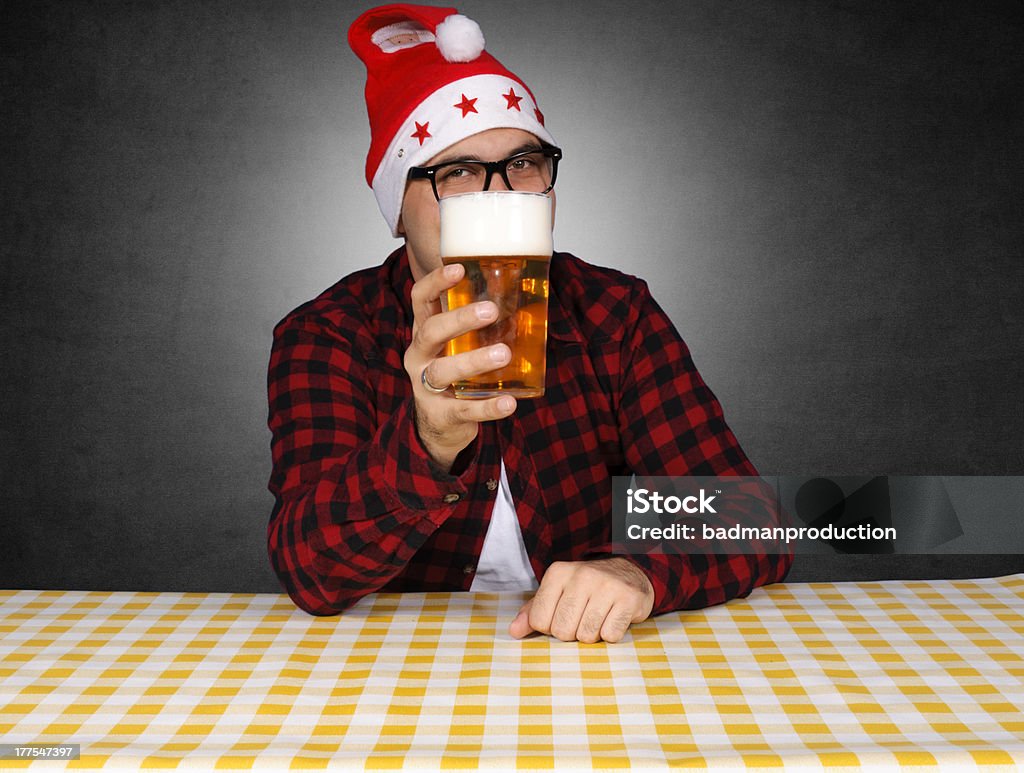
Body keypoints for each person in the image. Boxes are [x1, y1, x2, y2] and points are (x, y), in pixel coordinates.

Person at [267, 3, 792, 643]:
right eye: (456, 172)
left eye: (524, 163)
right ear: (398, 209)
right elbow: (309, 570)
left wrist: (639, 573)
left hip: (591, 660)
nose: (502, 194)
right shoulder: (328, 334)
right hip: (403, 666)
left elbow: (746, 518)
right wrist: (427, 440)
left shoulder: (613, 312)